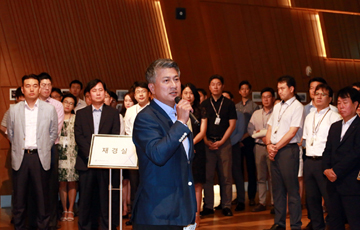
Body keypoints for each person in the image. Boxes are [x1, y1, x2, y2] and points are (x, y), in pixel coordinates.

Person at [131, 59, 196, 229]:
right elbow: (158, 154)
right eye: (166, 81)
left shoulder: (177, 116)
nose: (174, 85)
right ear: (152, 88)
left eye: (176, 79)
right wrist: (181, 123)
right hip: (157, 213)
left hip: (181, 211)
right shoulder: (146, 118)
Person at [7, 74, 58, 230]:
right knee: (19, 199)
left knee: (42, 199)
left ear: (39, 88)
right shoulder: (13, 109)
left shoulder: (49, 109)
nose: (31, 89)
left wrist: (43, 147)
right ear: (22, 89)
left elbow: (53, 132)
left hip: (39, 157)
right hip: (20, 158)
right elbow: (10, 133)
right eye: (27, 86)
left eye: (35, 85)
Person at [74, 79, 120, 230]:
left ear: (105, 93)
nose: (98, 93)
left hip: (106, 164)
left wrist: (101, 156)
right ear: (89, 94)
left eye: (101, 90)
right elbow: (79, 136)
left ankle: (107, 227)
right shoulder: (80, 114)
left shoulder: (113, 113)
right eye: (94, 90)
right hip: (86, 162)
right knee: (86, 200)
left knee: (106, 200)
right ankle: (85, 227)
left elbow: (114, 136)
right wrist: (91, 155)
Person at [265, 75, 304, 230]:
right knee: (277, 189)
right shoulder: (277, 106)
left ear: (291, 89)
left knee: (292, 189)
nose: (279, 91)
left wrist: (276, 147)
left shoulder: (297, 107)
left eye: (282, 88)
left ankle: (295, 225)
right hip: (274, 150)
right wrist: (269, 144)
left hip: (288, 150)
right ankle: (279, 223)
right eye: (278, 88)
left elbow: (292, 131)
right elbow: (269, 127)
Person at [302, 84, 341, 230]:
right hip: (309, 160)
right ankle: (318, 226)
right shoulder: (309, 116)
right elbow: (306, 139)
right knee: (312, 199)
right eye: (316, 93)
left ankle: (334, 225)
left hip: (325, 162)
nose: (318, 96)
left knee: (330, 198)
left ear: (330, 98)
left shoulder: (335, 117)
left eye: (323, 94)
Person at [322, 87, 360, 229]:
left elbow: (356, 154)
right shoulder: (335, 126)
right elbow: (327, 151)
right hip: (333, 185)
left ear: (356, 104)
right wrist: (326, 168)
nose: (341, 106)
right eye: (338, 103)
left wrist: (336, 171)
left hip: (352, 184)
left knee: (355, 222)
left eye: (345, 102)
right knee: (334, 222)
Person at [200, 74, 237, 217]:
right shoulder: (204, 104)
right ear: (209, 87)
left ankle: (226, 205)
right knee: (208, 177)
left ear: (223, 86)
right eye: (213, 84)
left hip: (224, 144)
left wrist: (221, 141)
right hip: (207, 143)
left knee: (226, 176)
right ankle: (208, 206)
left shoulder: (229, 104)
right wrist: (205, 140)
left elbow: (232, 125)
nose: (215, 86)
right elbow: (201, 125)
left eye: (218, 84)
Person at [37, 72, 64, 230]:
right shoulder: (32, 104)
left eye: (49, 85)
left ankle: (52, 221)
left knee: (51, 185)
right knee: (36, 185)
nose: (46, 88)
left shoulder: (57, 105)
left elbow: (56, 128)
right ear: (38, 87)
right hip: (33, 150)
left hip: (51, 148)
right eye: (43, 85)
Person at [182, 83, 207, 226]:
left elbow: (202, 132)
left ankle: (197, 213)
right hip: (182, 150)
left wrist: (192, 144)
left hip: (198, 149)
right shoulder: (177, 109)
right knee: (184, 181)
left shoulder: (201, 110)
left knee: (197, 182)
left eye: (191, 93)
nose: (188, 96)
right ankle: (186, 211)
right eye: (185, 93)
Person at [248, 87, 275, 212]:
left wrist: (267, 138)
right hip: (259, 147)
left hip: (273, 147)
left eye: (268, 96)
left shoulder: (277, 113)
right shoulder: (256, 113)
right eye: (263, 97)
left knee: (274, 176)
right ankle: (262, 202)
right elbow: (250, 129)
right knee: (261, 176)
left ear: (273, 98)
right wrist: (261, 136)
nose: (266, 99)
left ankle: (275, 203)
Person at [235, 80, 259, 206]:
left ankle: (251, 197)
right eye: (242, 89)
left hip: (249, 140)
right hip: (237, 142)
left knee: (251, 169)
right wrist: (237, 139)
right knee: (238, 170)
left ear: (249, 91)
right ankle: (240, 197)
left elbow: (255, 126)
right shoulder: (235, 106)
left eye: (246, 89)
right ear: (239, 91)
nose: (244, 91)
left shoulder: (255, 106)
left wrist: (244, 137)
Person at [222, 90, 246, 212]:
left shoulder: (239, 114)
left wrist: (227, 143)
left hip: (233, 146)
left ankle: (241, 200)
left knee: (237, 173)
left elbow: (240, 133)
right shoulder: (220, 114)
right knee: (224, 175)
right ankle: (225, 201)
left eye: (227, 98)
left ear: (232, 100)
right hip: (221, 147)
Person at [58, 94, 79, 222]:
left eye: (71, 103)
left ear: (74, 106)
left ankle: (71, 209)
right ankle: (64, 209)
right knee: (61, 182)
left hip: (73, 154)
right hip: (60, 153)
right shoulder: (57, 118)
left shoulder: (77, 118)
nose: (68, 105)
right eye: (66, 102)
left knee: (72, 182)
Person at [119, 92, 136, 218]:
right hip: (125, 150)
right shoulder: (121, 115)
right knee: (124, 180)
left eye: (130, 100)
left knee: (133, 181)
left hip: (135, 150)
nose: (128, 103)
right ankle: (124, 206)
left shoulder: (137, 113)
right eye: (125, 101)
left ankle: (131, 206)